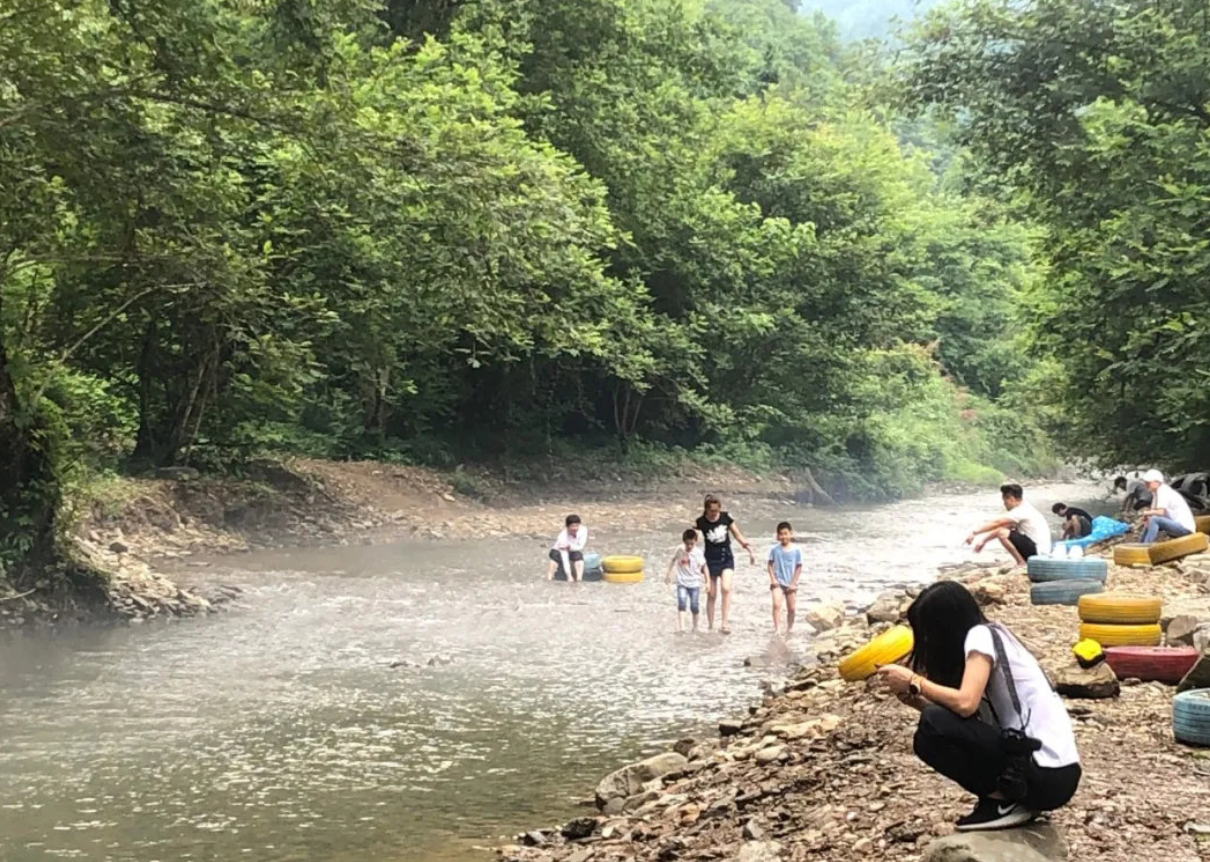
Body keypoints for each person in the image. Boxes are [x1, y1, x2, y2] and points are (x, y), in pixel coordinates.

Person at [876, 581, 1081, 831]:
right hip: (1051, 776)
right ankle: (1009, 800)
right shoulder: (994, 642)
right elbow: (969, 723)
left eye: (928, 632)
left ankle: (1003, 802)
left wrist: (913, 680)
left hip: (1046, 772)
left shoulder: (981, 634)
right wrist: (915, 699)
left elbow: (965, 704)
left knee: (932, 725)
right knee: (926, 736)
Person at [695, 494, 756, 635]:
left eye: (716, 511)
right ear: (706, 510)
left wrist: (748, 549)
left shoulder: (726, 518)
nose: (714, 514)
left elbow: (737, 535)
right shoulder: (701, 522)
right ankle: (710, 626)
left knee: (726, 588)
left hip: (726, 558)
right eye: (711, 511)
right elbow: (693, 541)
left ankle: (724, 624)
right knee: (711, 594)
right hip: (709, 560)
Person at [964, 484, 1052, 566]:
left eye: (1005, 502)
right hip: (1039, 550)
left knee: (1003, 533)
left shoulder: (1021, 510)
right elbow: (1003, 527)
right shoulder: (1025, 508)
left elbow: (997, 523)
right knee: (1004, 531)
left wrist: (974, 532)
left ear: (1011, 499)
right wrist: (983, 541)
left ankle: (1021, 563)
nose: (1004, 505)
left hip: (1038, 552)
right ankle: (1022, 562)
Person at [664, 528, 707, 634]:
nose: (689, 546)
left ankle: (695, 627)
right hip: (682, 582)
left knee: (694, 605)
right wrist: (668, 574)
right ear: (684, 542)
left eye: (692, 544)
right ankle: (682, 628)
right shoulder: (679, 550)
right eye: (687, 544)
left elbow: (705, 567)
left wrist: (708, 582)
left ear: (695, 542)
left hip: (695, 583)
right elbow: (673, 560)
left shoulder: (698, 553)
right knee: (682, 603)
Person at [1139, 469, 1195, 544]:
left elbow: (1160, 512)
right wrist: (1146, 517)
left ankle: (1146, 545)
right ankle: (1140, 544)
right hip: (1176, 525)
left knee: (1154, 519)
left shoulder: (1163, 491)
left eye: (1148, 482)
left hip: (1185, 529)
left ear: (1157, 482)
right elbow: (1153, 512)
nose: (1146, 485)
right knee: (1150, 520)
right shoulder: (1156, 493)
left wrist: (1146, 513)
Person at [766, 521, 802, 636]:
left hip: (791, 583)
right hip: (778, 582)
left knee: (791, 608)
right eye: (781, 534)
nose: (784, 537)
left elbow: (799, 566)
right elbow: (770, 565)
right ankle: (777, 629)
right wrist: (773, 580)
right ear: (777, 536)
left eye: (786, 534)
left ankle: (790, 628)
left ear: (791, 534)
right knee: (776, 604)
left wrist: (793, 583)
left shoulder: (796, 550)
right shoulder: (775, 550)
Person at [547, 514, 588, 581]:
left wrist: (570, 546)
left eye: (577, 525)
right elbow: (565, 557)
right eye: (572, 526)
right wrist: (569, 576)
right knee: (555, 557)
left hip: (573, 549)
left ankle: (579, 578)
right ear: (567, 526)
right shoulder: (562, 536)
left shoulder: (583, 530)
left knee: (579, 556)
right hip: (558, 550)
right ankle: (549, 577)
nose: (575, 528)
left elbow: (580, 546)